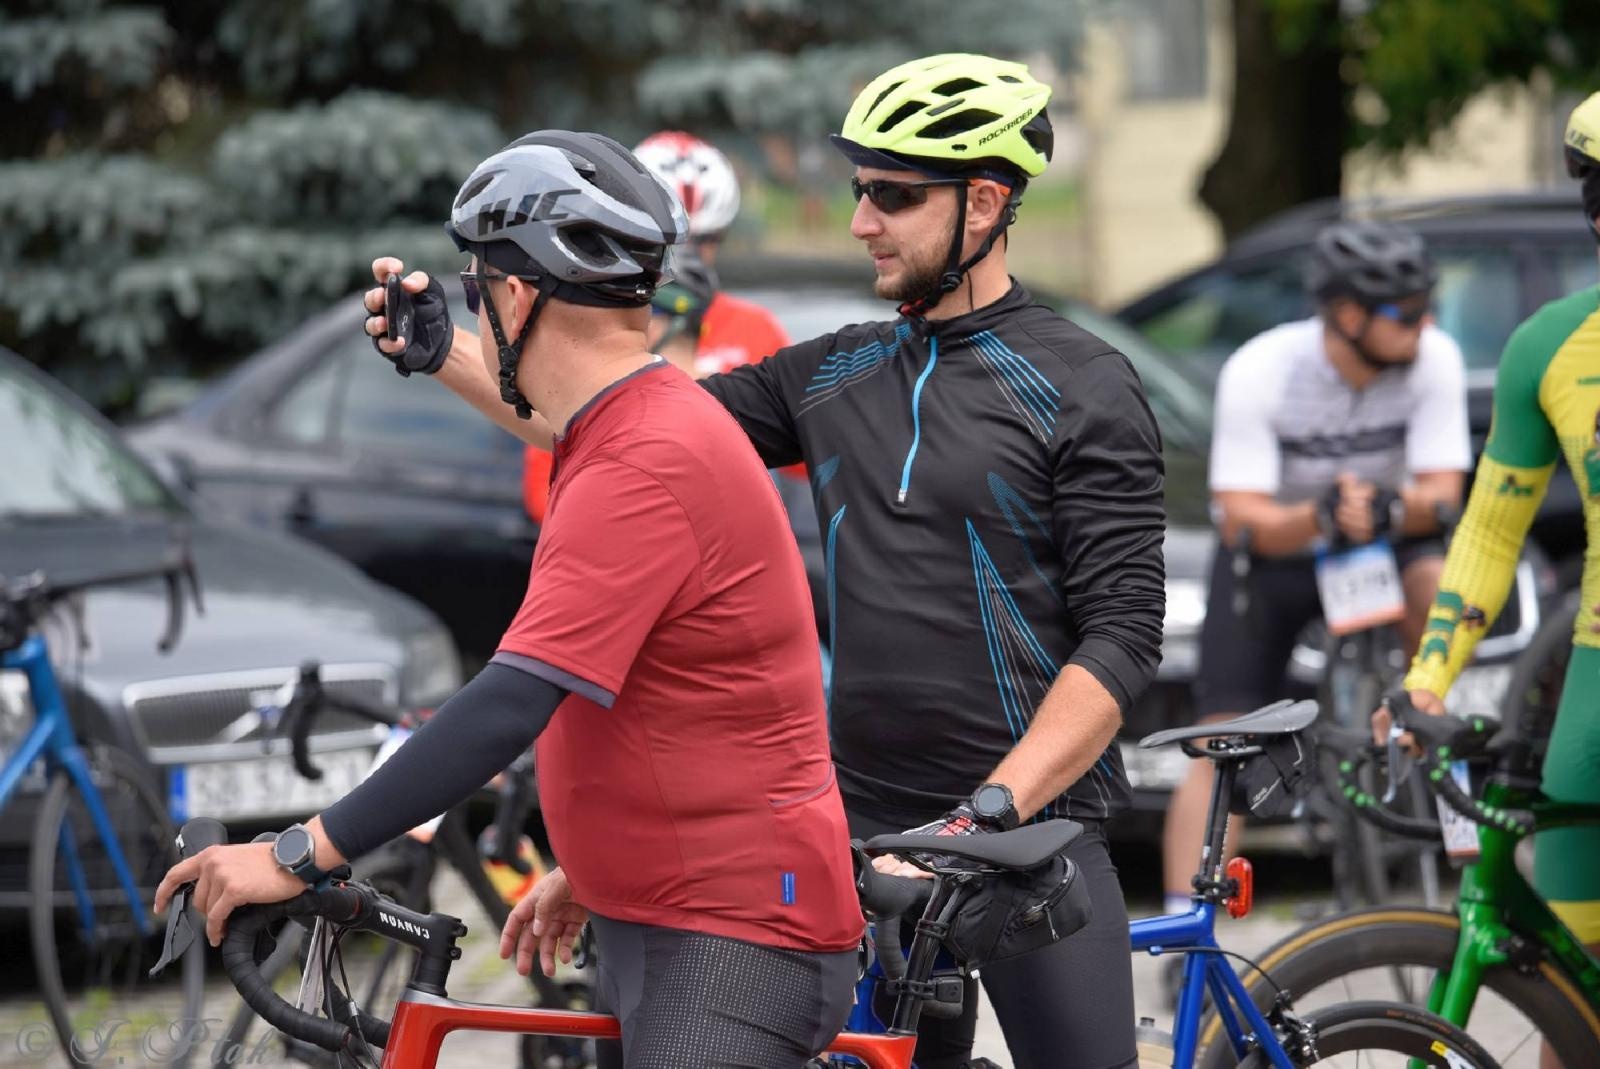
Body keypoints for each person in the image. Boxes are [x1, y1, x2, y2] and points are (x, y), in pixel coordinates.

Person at [380, 52, 1166, 1069]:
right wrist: (447, 352)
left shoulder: (1084, 384)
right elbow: (610, 424)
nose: (861, 222)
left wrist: (989, 811)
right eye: (858, 192)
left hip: (1027, 838)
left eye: (893, 195)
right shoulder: (835, 371)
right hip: (864, 844)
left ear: (984, 202)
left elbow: (1121, 639)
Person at [156, 130, 862, 1069]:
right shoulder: (630, 424)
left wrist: (300, 851)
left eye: (476, 291)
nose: (477, 312)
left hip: (732, 939)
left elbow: (510, 700)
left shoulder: (643, 463)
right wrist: (601, 865)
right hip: (679, 912)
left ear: (519, 295)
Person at [1160, 219, 1470, 925]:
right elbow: (1239, 515)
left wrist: (1390, 508)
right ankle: (1185, 923)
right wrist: (1317, 517)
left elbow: (1444, 494)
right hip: (1280, 548)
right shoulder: (1264, 368)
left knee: (1439, 585)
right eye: (1408, 313)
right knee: (1222, 738)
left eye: (1431, 308)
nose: (1425, 326)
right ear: (1349, 314)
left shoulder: (1434, 360)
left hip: (1388, 542)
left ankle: (1465, 834)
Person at [1374, 89, 1600, 964]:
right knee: (1575, 986)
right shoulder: (1549, 348)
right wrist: (1430, 675)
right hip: (1593, 689)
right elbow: (1490, 532)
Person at [521, 131, 792, 524]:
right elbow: (543, 488)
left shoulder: (757, 328)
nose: (687, 259)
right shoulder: (591, 319)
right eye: (669, 240)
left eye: (706, 240)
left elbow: (806, 456)